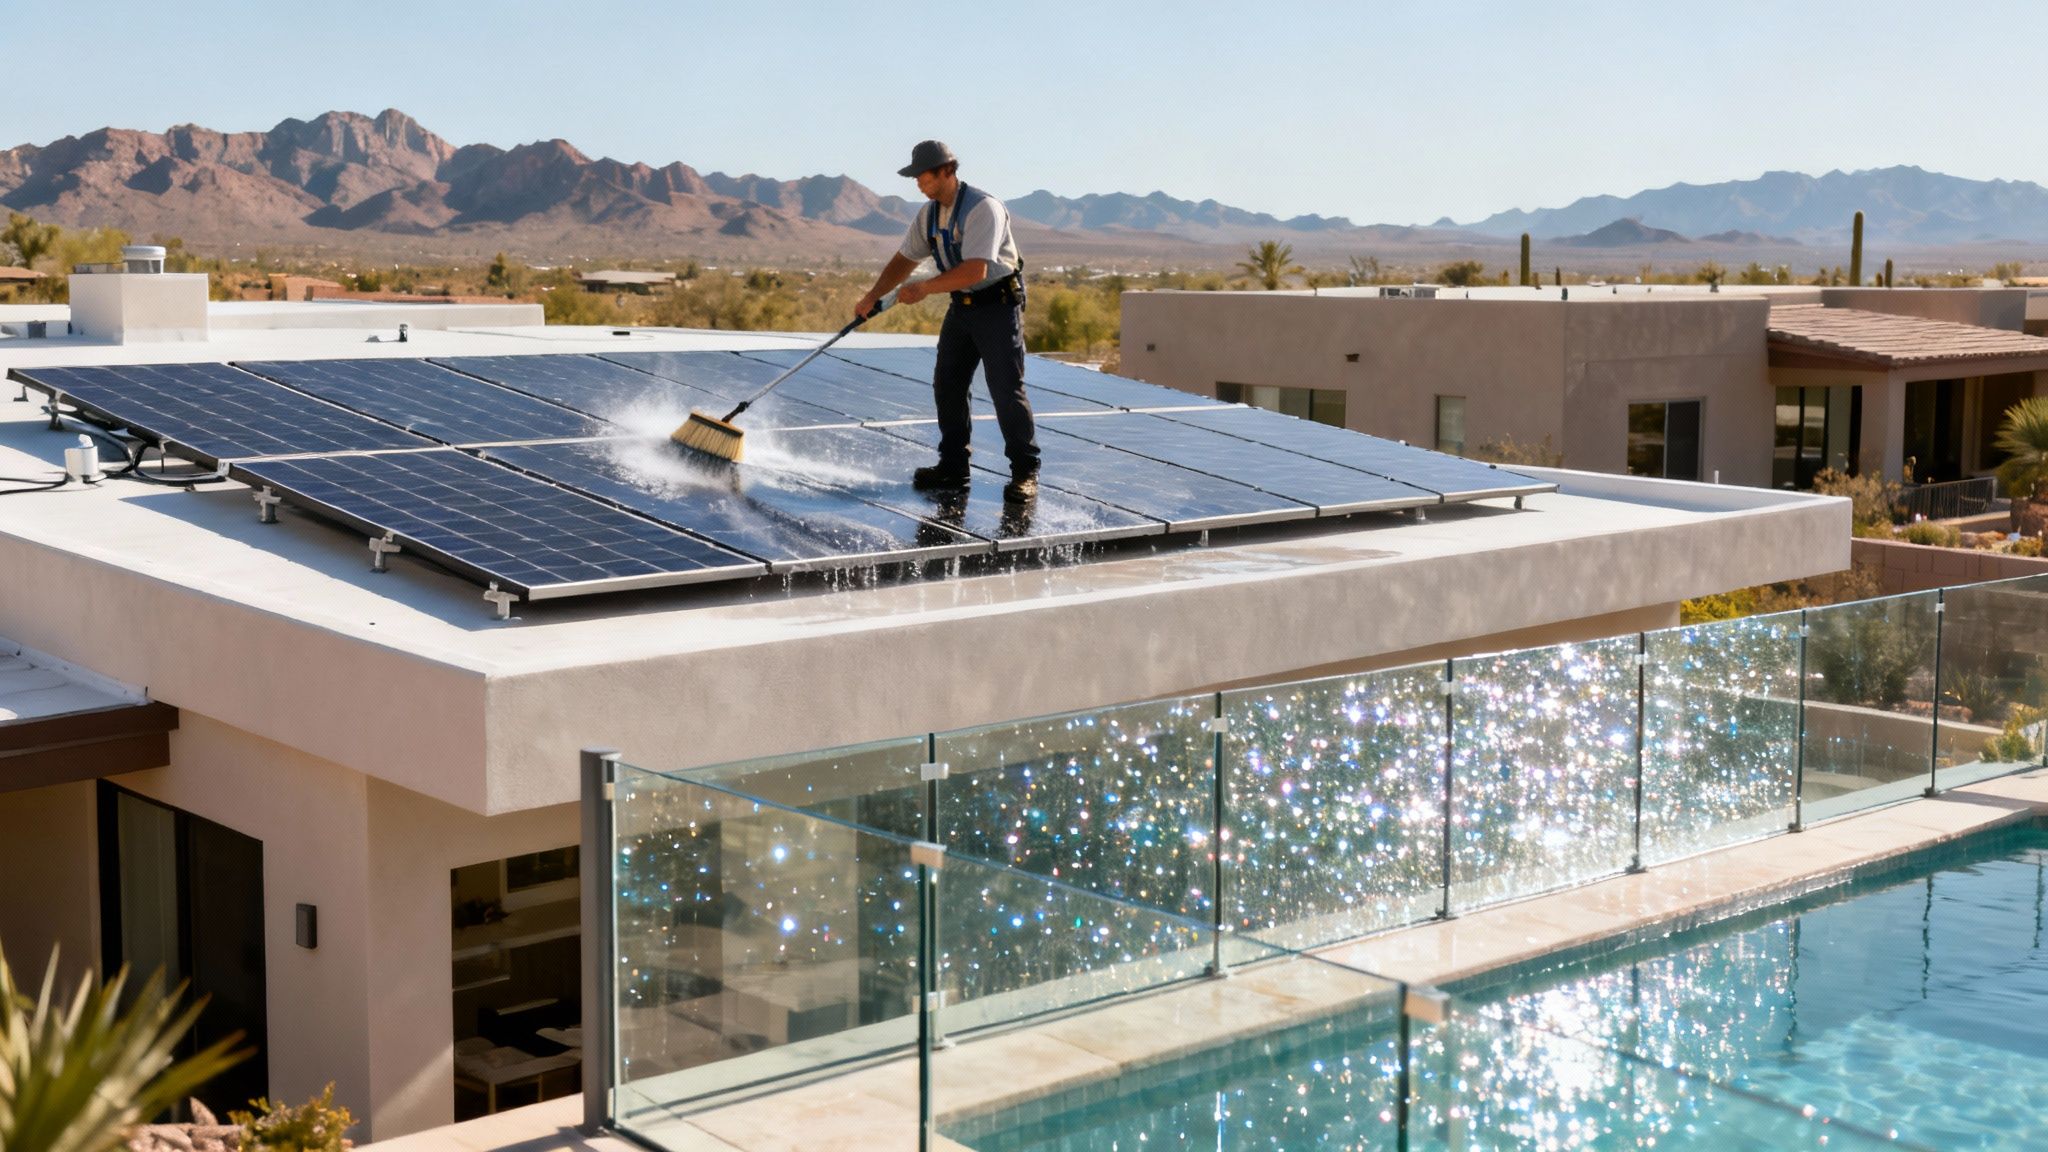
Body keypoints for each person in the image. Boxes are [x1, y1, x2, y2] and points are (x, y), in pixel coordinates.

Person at [855, 140, 1039, 503]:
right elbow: (904, 259)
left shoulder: (983, 208)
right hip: (963, 307)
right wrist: (873, 295)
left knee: (1005, 389)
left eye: (922, 175)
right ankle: (953, 467)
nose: (917, 182)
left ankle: (1025, 473)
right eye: (915, 176)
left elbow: (975, 269)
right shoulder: (928, 215)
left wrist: (924, 289)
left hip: (997, 306)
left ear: (947, 172)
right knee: (948, 384)